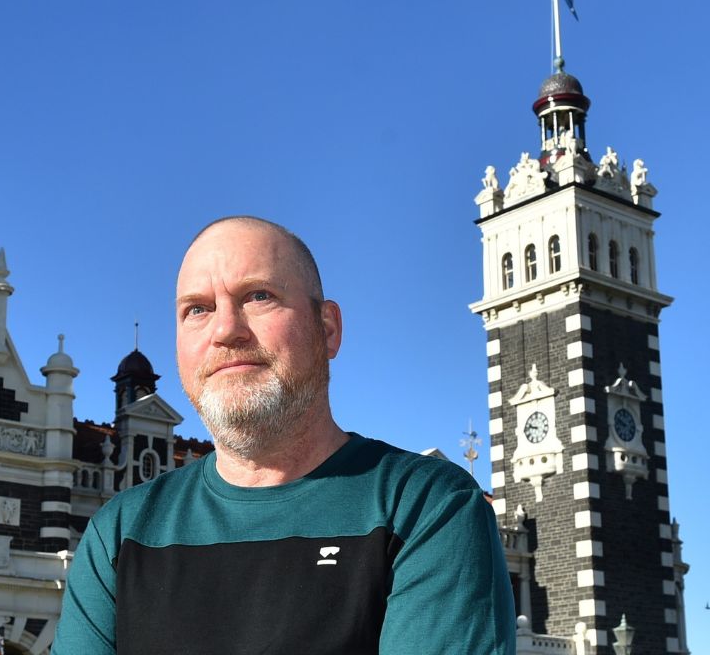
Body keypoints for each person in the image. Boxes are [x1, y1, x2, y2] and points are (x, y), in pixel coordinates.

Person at [53, 216, 515, 654]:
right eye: (198, 309)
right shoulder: (119, 533)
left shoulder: (425, 505)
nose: (226, 330)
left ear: (327, 329)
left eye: (259, 296)